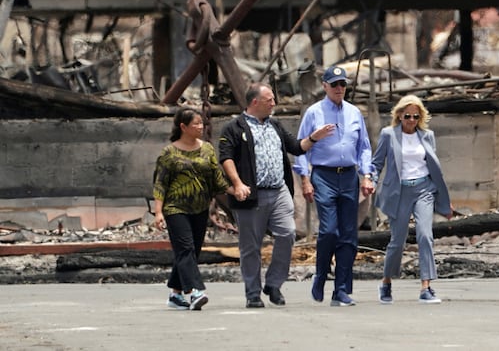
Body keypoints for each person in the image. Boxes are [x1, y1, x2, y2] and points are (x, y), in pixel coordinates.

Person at [218, 83, 333, 309]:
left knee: (287, 233)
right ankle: (253, 293)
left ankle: (274, 284)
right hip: (251, 195)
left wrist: (314, 137)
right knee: (251, 246)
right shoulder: (234, 128)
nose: (274, 103)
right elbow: (226, 157)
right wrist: (238, 183)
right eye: (269, 99)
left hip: (278, 191)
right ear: (255, 103)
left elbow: (297, 147)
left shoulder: (276, 125)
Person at [293, 65, 375, 307]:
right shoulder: (314, 113)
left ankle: (341, 289)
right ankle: (320, 274)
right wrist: (305, 179)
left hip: (349, 176)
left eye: (343, 84)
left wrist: (367, 175)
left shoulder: (354, 113)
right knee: (329, 230)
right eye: (335, 84)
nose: (340, 88)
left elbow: (364, 147)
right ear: (325, 86)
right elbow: (300, 147)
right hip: (324, 176)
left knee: (349, 235)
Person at [371, 94, 452, 304]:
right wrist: (370, 180)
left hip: (423, 189)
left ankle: (426, 286)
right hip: (399, 192)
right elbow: (377, 162)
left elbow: (435, 169)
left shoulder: (427, 136)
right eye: (407, 116)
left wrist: (443, 200)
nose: (411, 120)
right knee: (397, 242)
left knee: (425, 235)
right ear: (399, 115)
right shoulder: (389, 135)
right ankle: (386, 281)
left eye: (416, 116)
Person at [153, 106, 234, 311]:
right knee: (186, 248)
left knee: (190, 251)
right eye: (196, 124)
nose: (200, 127)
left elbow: (216, 178)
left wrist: (236, 189)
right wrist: (159, 211)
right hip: (175, 208)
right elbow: (160, 184)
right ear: (183, 127)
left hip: (200, 208)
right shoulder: (169, 153)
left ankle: (175, 293)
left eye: (201, 123)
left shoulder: (207, 148)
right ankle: (196, 291)